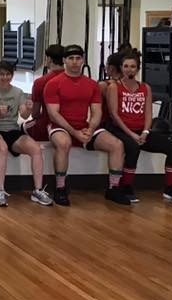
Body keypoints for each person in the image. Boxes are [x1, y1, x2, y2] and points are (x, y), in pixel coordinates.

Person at [44, 44, 129, 206]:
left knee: (117, 145)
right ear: (64, 61)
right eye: (71, 58)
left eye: (78, 58)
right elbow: (54, 114)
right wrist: (74, 132)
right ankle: (60, 189)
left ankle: (113, 188)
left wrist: (90, 129)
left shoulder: (91, 84)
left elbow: (96, 112)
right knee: (63, 143)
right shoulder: (54, 83)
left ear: (83, 60)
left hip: (83, 126)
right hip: (60, 126)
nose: (75, 62)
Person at [106, 52, 172, 203]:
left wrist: (146, 131)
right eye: (126, 66)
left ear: (137, 69)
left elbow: (148, 112)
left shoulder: (145, 88)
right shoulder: (114, 87)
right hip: (120, 129)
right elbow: (114, 114)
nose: (129, 70)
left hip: (140, 131)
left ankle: (170, 189)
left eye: (133, 67)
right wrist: (131, 134)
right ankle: (126, 187)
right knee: (133, 148)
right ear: (121, 68)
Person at [0, 61, 53, 206]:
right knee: (2, 147)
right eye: (2, 74)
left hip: (13, 130)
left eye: (8, 74)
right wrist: (0, 115)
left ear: (12, 76)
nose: (5, 77)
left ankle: (38, 190)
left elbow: (25, 116)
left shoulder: (18, 92)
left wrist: (28, 108)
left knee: (35, 148)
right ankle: (0, 190)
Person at [26, 44, 64, 141]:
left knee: (21, 128)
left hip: (47, 127)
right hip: (70, 126)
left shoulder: (40, 82)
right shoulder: (74, 80)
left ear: (49, 59)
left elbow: (35, 113)